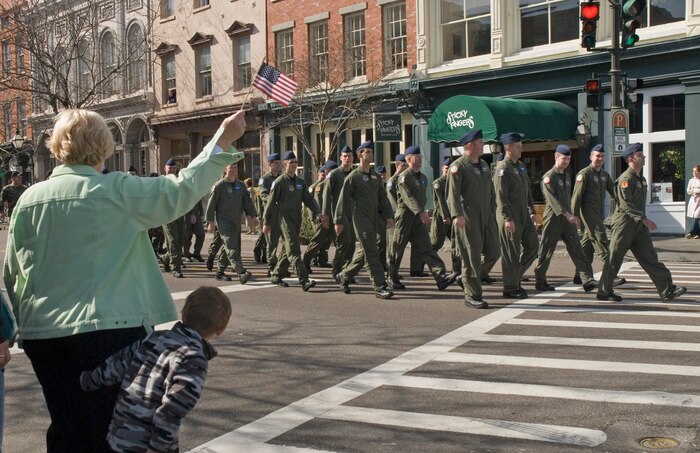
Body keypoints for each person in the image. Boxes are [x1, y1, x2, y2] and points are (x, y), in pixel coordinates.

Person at [3, 108, 246, 453]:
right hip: (110, 329)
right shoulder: (117, 190)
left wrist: (23, 326)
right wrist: (221, 139)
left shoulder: (28, 199)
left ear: (57, 146)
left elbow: (14, 273)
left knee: (66, 426)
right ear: (104, 147)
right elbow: (182, 189)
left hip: (45, 334)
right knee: (113, 430)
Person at [80, 286, 231, 453]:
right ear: (220, 329)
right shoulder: (193, 360)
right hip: (145, 446)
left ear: (184, 312)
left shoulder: (154, 337)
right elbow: (170, 412)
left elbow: (117, 364)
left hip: (118, 437)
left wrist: (88, 380)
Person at [597, 143, 687, 302]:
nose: (644, 156)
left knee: (650, 258)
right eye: (640, 154)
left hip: (638, 226)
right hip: (624, 224)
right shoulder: (625, 179)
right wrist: (644, 219)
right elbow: (626, 204)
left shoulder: (642, 179)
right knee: (615, 258)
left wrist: (642, 220)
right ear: (630, 158)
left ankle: (667, 290)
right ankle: (604, 291)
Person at [389, 145, 457, 292]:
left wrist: (423, 213)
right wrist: (421, 212)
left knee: (427, 248)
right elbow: (408, 198)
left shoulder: (424, 178)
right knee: (397, 248)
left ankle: (440, 277)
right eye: (416, 157)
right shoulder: (404, 177)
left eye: (420, 157)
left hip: (418, 219)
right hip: (405, 217)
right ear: (408, 159)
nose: (420, 159)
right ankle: (391, 277)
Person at [446, 130, 500, 308]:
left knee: (494, 251)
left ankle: (465, 278)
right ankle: (472, 295)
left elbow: (491, 191)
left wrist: (492, 212)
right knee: (471, 257)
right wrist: (457, 215)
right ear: (469, 145)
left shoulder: (484, 165)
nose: (483, 145)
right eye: (480, 142)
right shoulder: (458, 166)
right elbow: (452, 194)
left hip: (486, 216)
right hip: (468, 217)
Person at [334, 142, 394, 299]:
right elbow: (343, 199)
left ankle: (344, 276)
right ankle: (380, 285)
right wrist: (339, 221)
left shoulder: (374, 176)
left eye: (371, 151)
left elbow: (383, 197)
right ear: (360, 155)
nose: (370, 154)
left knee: (364, 251)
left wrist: (389, 215)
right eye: (367, 151)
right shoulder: (354, 176)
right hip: (360, 217)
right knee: (371, 251)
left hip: (374, 217)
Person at [533, 144, 597, 292]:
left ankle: (587, 279)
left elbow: (569, 199)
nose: (566, 161)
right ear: (556, 157)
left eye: (568, 158)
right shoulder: (549, 177)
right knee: (546, 250)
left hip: (568, 219)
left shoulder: (567, 176)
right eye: (564, 158)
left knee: (577, 249)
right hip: (554, 218)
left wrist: (574, 215)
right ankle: (540, 280)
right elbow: (552, 200)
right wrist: (568, 215)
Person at [262, 151, 322, 291]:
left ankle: (276, 275)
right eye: (291, 162)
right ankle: (304, 280)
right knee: (294, 249)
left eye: (295, 162)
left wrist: (318, 212)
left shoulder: (300, 182)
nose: (294, 164)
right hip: (284, 220)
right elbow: (270, 203)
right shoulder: (279, 182)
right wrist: (266, 222)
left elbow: (308, 200)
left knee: (286, 250)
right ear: (285, 164)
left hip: (296, 220)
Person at [571, 144, 625, 287]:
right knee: (602, 242)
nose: (600, 159)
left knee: (587, 246)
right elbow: (576, 197)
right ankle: (610, 276)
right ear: (591, 157)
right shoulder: (584, 174)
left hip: (598, 214)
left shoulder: (604, 175)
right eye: (597, 156)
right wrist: (574, 216)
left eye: (602, 156)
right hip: (588, 214)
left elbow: (615, 192)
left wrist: (625, 206)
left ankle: (579, 275)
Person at [493, 132, 539, 299]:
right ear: (508, 148)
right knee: (511, 253)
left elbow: (527, 191)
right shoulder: (502, 169)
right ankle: (510, 288)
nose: (521, 149)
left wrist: (532, 211)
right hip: (510, 215)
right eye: (518, 147)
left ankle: (515, 276)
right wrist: (507, 218)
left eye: (521, 146)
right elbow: (500, 196)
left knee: (533, 246)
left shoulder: (520, 166)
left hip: (524, 214)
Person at [206, 163, 257, 283]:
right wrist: (210, 222)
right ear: (225, 170)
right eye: (230, 168)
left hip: (236, 220)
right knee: (231, 245)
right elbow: (211, 204)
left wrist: (253, 216)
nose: (233, 170)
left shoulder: (240, 185)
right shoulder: (219, 186)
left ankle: (220, 271)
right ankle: (241, 272)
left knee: (228, 246)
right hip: (223, 220)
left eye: (235, 167)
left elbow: (247, 202)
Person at [386, 154, 424, 277]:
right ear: (397, 165)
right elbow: (392, 200)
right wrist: (397, 215)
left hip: (412, 215)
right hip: (397, 216)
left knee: (417, 244)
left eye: (406, 165)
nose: (405, 166)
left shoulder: (411, 178)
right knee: (395, 245)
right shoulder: (392, 181)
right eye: (403, 165)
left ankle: (416, 269)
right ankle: (392, 272)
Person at [323, 145, 355, 279]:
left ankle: (347, 272)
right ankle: (337, 269)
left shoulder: (355, 173)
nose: (347, 158)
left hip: (353, 213)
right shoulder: (334, 174)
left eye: (349, 156)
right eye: (344, 156)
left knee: (352, 243)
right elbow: (326, 194)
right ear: (341, 158)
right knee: (343, 241)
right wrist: (325, 214)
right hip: (339, 213)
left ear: (353, 158)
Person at [303, 162, 335, 272]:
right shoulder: (319, 186)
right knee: (317, 241)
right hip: (323, 218)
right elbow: (317, 203)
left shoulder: (335, 183)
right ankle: (306, 261)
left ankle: (328, 262)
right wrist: (318, 217)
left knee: (339, 242)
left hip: (334, 218)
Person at [160, 159, 187, 278]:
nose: (172, 170)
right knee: (173, 241)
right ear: (165, 169)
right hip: (167, 215)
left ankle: (165, 258)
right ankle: (176, 268)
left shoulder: (178, 181)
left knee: (181, 240)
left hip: (179, 214)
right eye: (169, 168)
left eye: (174, 168)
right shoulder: (161, 181)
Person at [257, 153, 283, 271]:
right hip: (270, 214)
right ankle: (272, 265)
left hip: (282, 214)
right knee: (272, 242)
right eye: (275, 163)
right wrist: (274, 199)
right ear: (270, 164)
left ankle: (282, 265)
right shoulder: (265, 179)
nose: (278, 165)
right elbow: (263, 195)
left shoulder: (282, 177)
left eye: (279, 163)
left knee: (286, 241)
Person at [686, 165, 700, 239]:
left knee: (696, 216)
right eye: (693, 171)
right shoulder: (691, 180)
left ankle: (691, 232)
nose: (694, 173)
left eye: (696, 171)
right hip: (694, 200)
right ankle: (697, 233)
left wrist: (696, 191)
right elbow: (688, 190)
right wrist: (694, 191)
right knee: (695, 218)